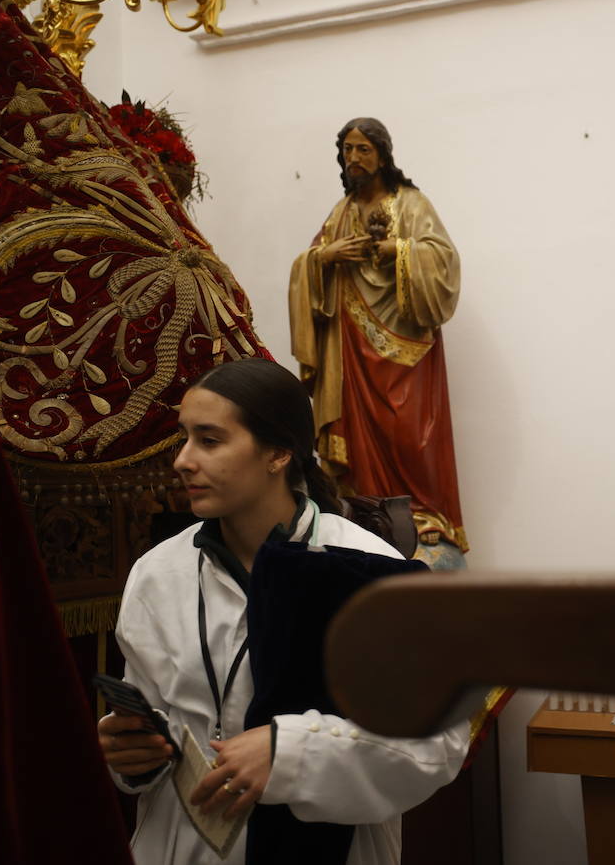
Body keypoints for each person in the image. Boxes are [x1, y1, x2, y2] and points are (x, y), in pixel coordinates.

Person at [98, 358, 469, 865]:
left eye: (209, 440)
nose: (183, 460)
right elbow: (158, 720)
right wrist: (135, 756)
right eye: (183, 438)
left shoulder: (367, 570)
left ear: (277, 453)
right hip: (183, 847)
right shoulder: (156, 573)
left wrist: (290, 751)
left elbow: (436, 744)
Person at [288, 117, 467, 569]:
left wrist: (397, 252)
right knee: (360, 436)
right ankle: (367, 518)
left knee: (411, 437)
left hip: (407, 348)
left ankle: (426, 520)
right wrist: (326, 257)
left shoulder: (411, 203)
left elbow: (442, 259)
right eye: (347, 149)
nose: (354, 158)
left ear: (383, 155)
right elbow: (311, 260)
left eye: (363, 149)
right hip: (350, 345)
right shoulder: (341, 212)